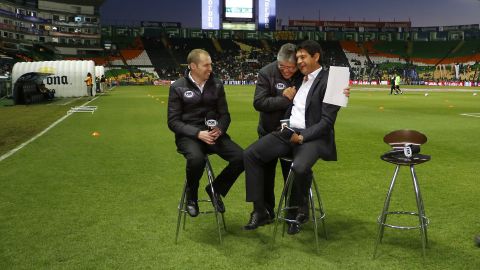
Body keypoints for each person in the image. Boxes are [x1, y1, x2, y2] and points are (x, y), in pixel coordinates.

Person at [243, 40, 344, 234]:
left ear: (316, 56)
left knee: (298, 167)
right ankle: (260, 210)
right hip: (288, 132)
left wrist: (302, 137)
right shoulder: (299, 77)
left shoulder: (336, 80)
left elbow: (327, 123)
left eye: (302, 57)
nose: (298, 62)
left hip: (313, 137)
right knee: (250, 154)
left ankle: (300, 208)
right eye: (297, 58)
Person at [168, 49, 244, 217]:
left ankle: (215, 189)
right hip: (189, 136)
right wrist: (197, 133)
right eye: (206, 65)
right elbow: (173, 122)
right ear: (193, 66)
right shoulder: (177, 87)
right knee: (196, 159)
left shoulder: (216, 84)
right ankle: (192, 196)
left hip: (213, 134)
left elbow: (225, 115)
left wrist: (220, 129)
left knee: (242, 158)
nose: (210, 68)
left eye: (210, 64)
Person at [247, 43, 304, 224]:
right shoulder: (267, 72)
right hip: (268, 132)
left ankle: (292, 213)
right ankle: (264, 212)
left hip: (292, 134)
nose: (286, 71)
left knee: (291, 175)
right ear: (277, 62)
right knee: (265, 174)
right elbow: (259, 103)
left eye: (291, 67)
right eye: (282, 67)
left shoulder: (303, 75)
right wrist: (284, 99)